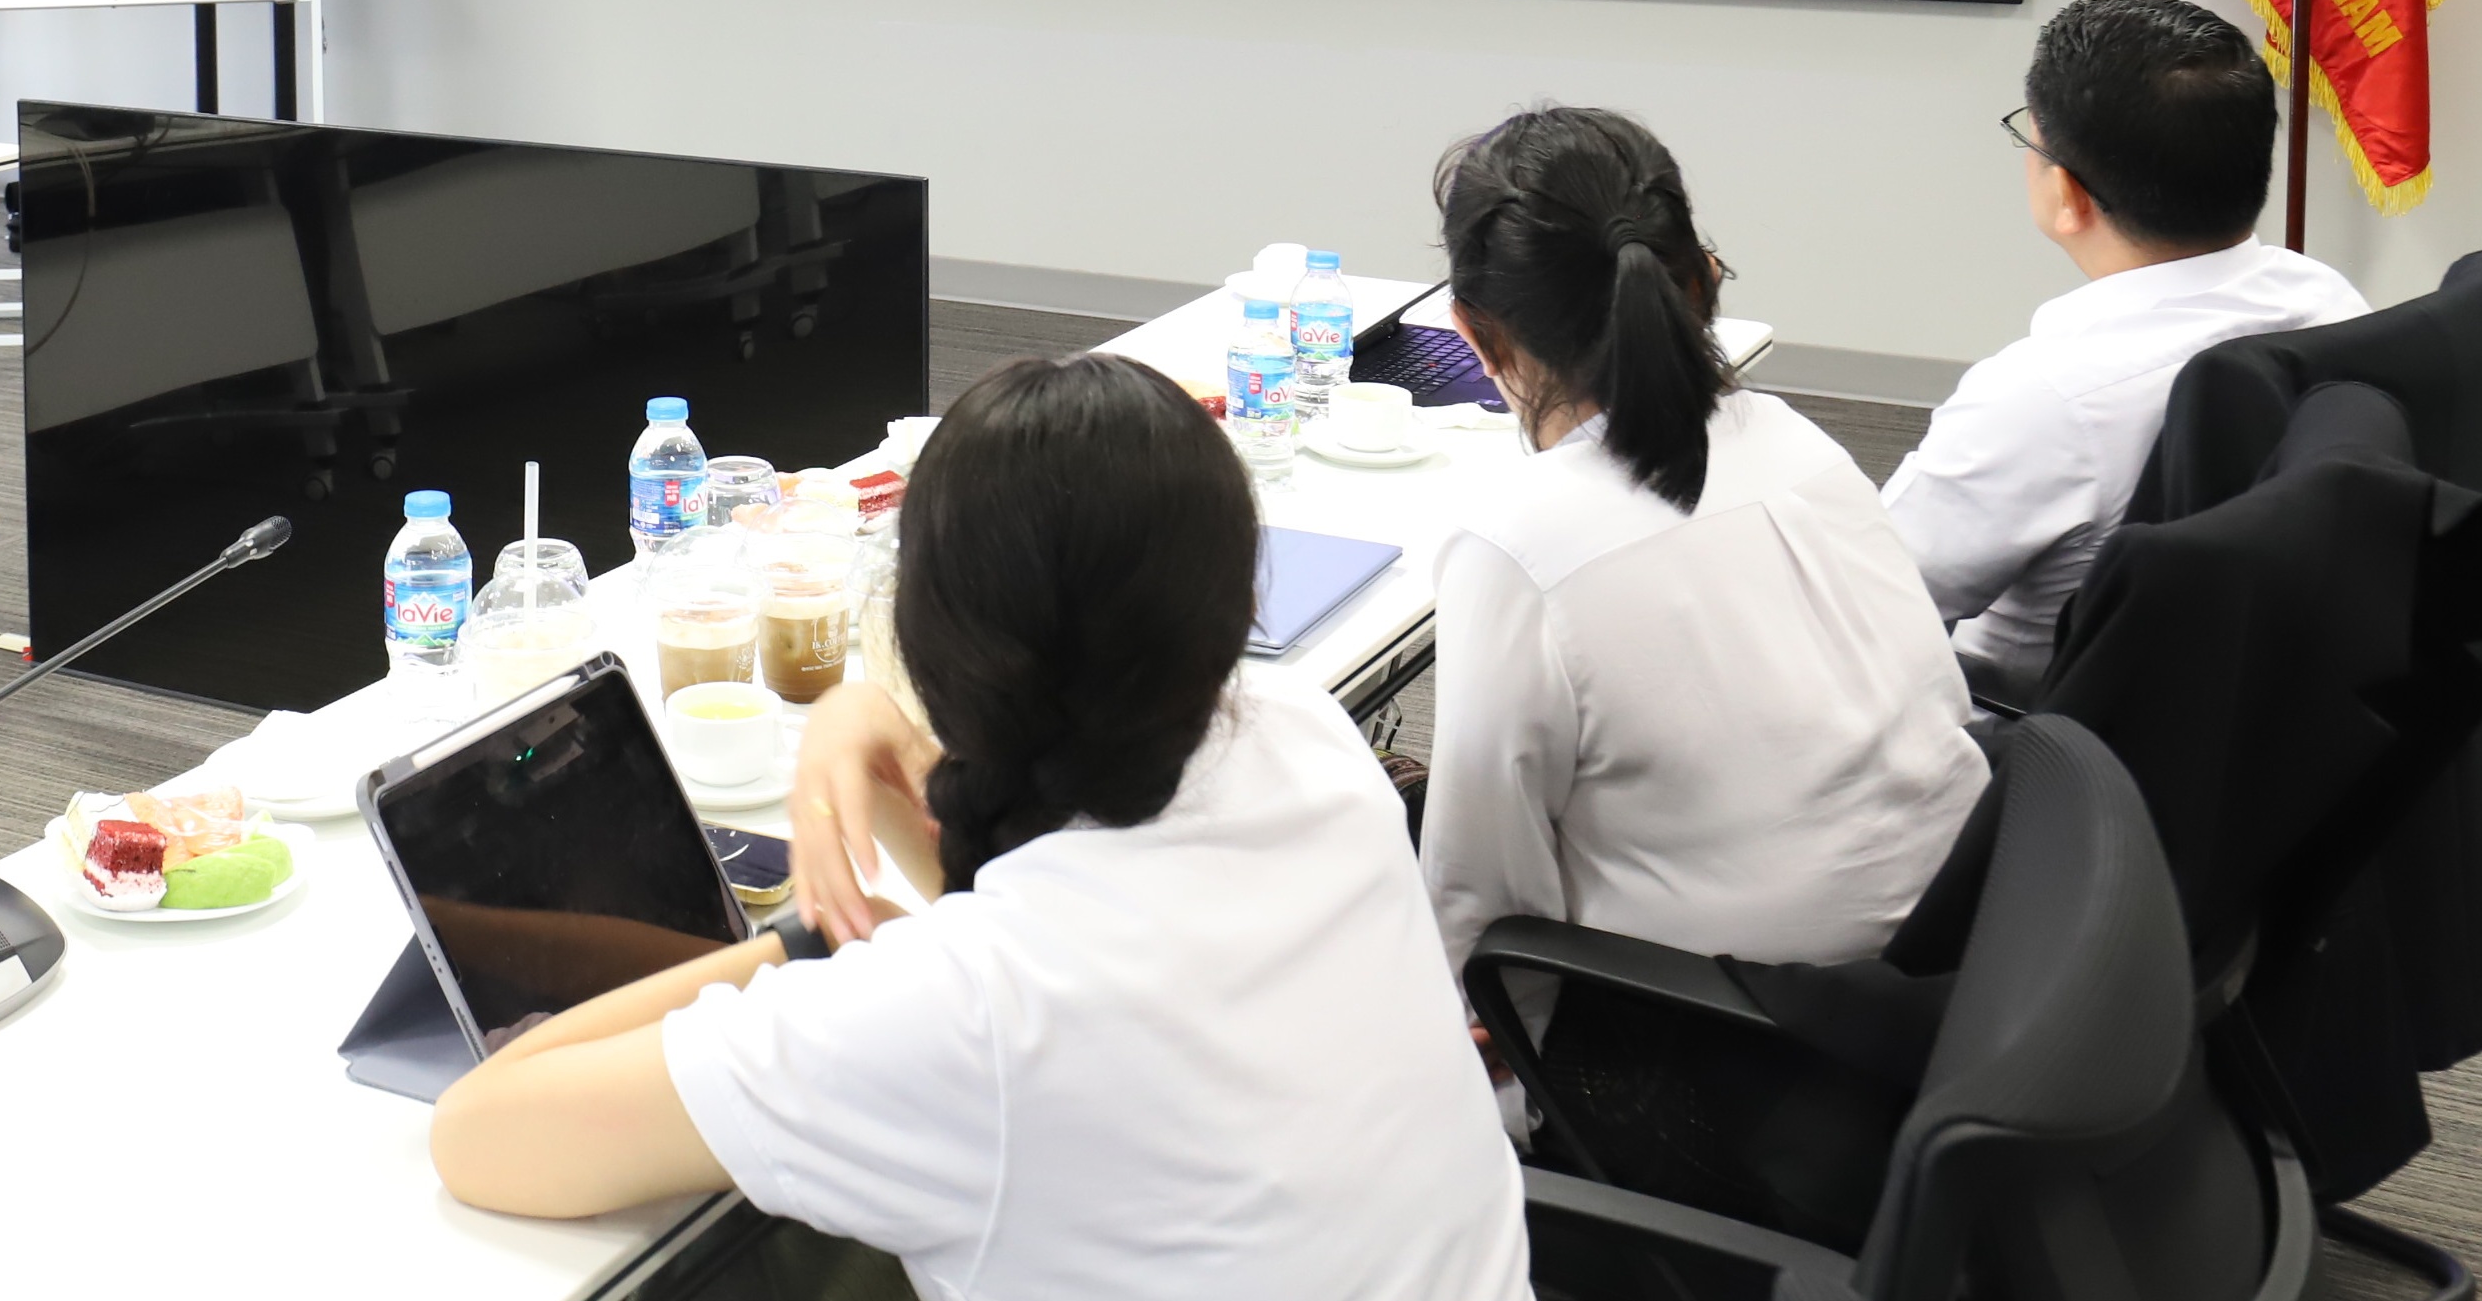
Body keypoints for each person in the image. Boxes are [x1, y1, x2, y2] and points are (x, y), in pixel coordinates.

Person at [435, 353, 1528, 1301]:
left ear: (928, 647)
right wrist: (864, 727)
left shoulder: (955, 1013)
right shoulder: (1303, 738)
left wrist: (811, 939)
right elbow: (1032, 892)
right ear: (1236, 603)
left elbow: (479, 1132)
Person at [1416, 105, 1985, 992]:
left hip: (1737, 1019)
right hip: (1961, 947)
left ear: (1476, 335)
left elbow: (1477, 891)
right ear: (1702, 282)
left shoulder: (1515, 544)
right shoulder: (1796, 441)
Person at [1880, 0, 2365, 700]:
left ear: (2068, 194)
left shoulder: (2041, 400)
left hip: (2032, 727)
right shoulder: (2328, 299)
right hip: (2278, 707)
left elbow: (1867, 601)